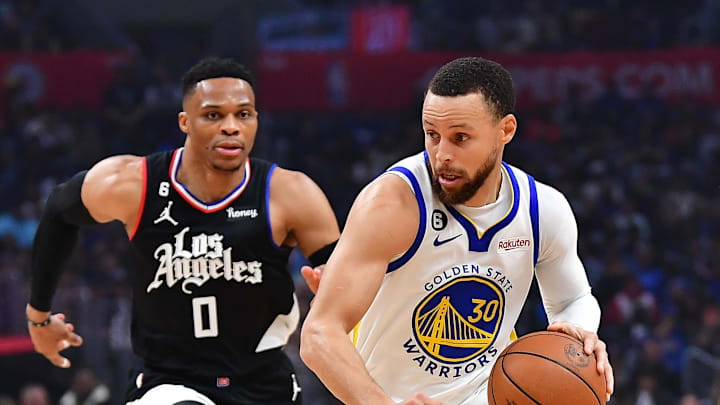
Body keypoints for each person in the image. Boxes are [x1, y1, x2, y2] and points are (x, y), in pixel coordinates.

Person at [25, 57, 340, 405]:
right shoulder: (135, 184)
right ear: (185, 122)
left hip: (264, 381)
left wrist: (335, 286)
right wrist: (38, 317)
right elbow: (59, 210)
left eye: (244, 114)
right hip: (169, 382)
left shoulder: (290, 193)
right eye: (213, 115)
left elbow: (349, 278)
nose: (231, 127)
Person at [300, 57, 614, 405]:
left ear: (505, 130)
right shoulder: (392, 204)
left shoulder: (543, 211)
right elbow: (318, 334)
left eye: (460, 137)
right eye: (432, 135)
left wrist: (580, 334)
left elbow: (573, 299)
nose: (442, 155)